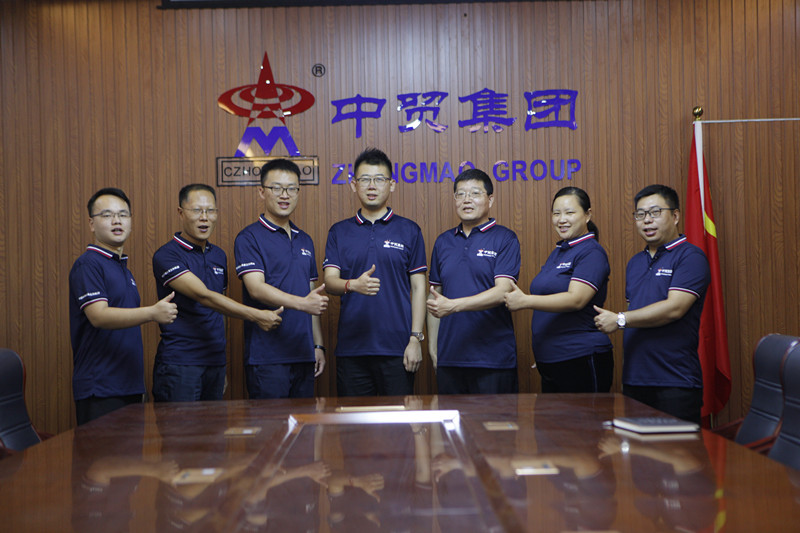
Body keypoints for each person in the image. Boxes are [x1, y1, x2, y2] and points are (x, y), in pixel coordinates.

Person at [152, 184, 283, 402]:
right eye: (197, 210)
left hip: (215, 364)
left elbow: (219, 311)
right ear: (181, 212)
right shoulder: (167, 255)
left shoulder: (219, 256)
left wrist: (221, 364)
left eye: (210, 211)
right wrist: (257, 315)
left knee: (213, 426)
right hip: (180, 364)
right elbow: (204, 296)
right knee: (180, 426)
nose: (204, 217)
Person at [594, 184, 710, 425]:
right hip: (635, 380)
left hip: (674, 381)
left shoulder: (691, 256)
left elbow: (675, 308)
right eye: (640, 214)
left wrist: (620, 319)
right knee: (636, 448)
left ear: (675, 216)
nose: (647, 220)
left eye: (655, 212)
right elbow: (639, 313)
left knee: (675, 448)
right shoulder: (635, 263)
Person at [323, 148, 427, 396]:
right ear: (353, 185)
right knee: (353, 419)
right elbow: (329, 281)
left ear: (391, 184)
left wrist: (415, 339)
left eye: (379, 179)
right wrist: (352, 285)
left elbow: (419, 287)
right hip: (352, 349)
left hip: (398, 348)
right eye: (365, 179)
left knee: (398, 420)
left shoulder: (409, 230)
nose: (372, 186)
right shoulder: (339, 232)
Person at [69, 188, 178, 425]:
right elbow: (98, 316)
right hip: (101, 388)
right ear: (91, 224)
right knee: (104, 451)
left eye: (123, 215)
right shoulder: (88, 264)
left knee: (131, 451)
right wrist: (152, 312)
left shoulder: (121, 267)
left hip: (129, 386)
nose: (117, 221)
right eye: (107, 215)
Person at [234, 159, 328, 399]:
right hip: (267, 357)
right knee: (271, 424)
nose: (284, 195)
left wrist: (317, 345)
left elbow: (312, 296)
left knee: (304, 423)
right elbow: (256, 289)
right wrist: (302, 303)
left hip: (303, 353)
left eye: (291, 188)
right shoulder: (249, 238)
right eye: (276, 188)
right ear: (262, 191)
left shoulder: (304, 239)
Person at [504, 186, 613, 393]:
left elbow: (576, 299)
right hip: (552, 360)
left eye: (569, 213)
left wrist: (525, 301)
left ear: (587, 215)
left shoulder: (591, 253)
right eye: (556, 213)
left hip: (579, 357)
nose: (561, 219)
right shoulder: (560, 251)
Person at [427, 168, 521, 394]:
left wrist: (454, 305)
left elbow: (503, 291)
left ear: (490, 200)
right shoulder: (443, 242)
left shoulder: (505, 238)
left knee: (496, 418)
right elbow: (435, 297)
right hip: (451, 358)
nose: (466, 200)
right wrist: (433, 347)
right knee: (450, 418)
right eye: (460, 194)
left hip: (493, 358)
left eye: (475, 193)